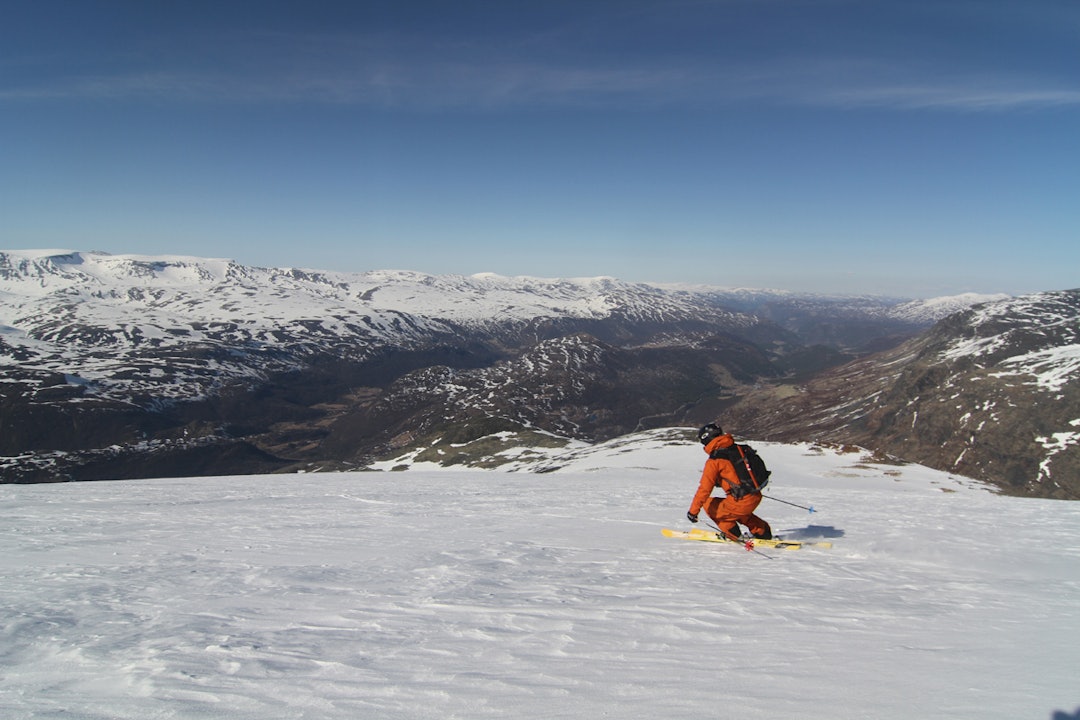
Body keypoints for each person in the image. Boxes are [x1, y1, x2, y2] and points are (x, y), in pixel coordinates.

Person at [685, 422, 772, 541]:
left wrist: (693, 512)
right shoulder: (737, 449)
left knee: (710, 505)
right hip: (754, 494)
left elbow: (704, 489)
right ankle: (762, 531)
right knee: (736, 512)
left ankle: (734, 535)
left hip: (740, 500)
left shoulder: (714, 461)